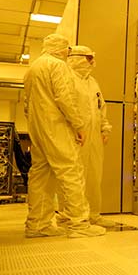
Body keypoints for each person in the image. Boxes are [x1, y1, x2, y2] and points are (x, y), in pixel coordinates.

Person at [23, 33, 106, 238]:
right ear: (62, 49)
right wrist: (78, 125)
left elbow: (27, 104)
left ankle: (37, 225)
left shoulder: (33, 68)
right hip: (56, 126)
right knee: (72, 172)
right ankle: (79, 224)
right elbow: (65, 98)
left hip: (38, 127)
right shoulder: (57, 66)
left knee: (40, 175)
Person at [67, 45, 115, 227]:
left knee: (94, 174)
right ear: (76, 58)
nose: (92, 62)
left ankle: (94, 214)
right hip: (76, 134)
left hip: (94, 134)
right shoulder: (67, 79)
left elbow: (100, 107)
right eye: (88, 58)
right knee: (76, 175)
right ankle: (73, 215)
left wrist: (105, 128)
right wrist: (75, 128)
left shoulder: (92, 82)